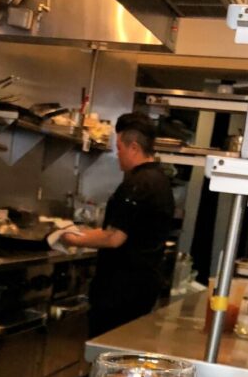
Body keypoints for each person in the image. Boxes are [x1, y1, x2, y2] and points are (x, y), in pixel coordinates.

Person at [61, 111, 174, 334]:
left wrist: (71, 237)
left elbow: (114, 238)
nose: (118, 154)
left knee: (107, 354)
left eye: (119, 148)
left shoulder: (137, 184)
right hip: (142, 288)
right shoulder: (160, 180)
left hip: (121, 292)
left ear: (133, 147)